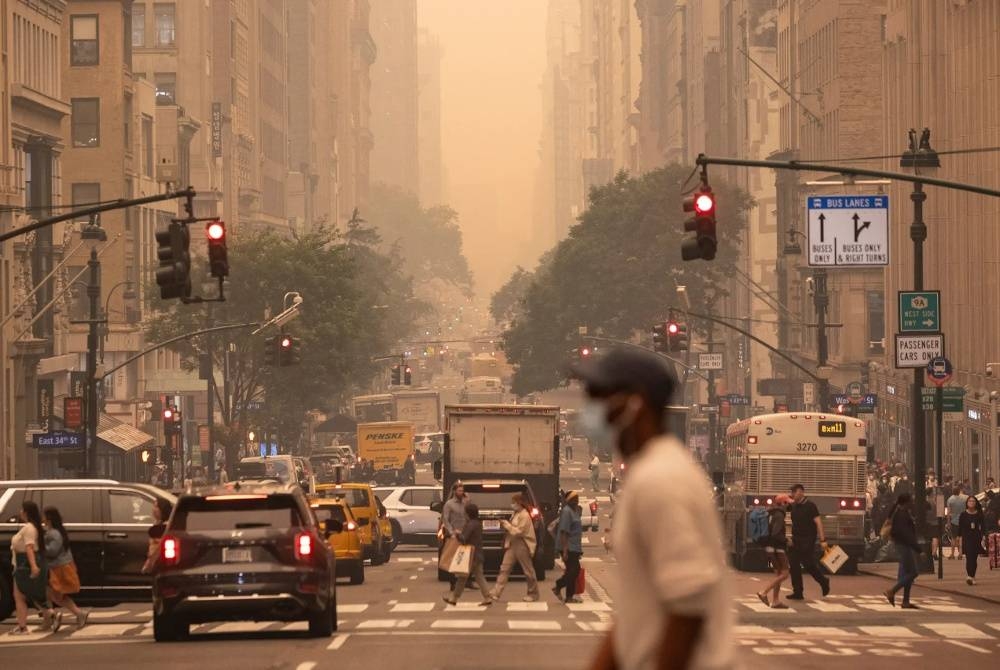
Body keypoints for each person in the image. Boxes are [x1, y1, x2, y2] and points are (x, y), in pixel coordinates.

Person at [576, 348, 733, 670]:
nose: (593, 411)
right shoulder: (652, 470)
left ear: (637, 402)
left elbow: (688, 604)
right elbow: (639, 616)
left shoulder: (660, 480)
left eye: (601, 398)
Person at [9, 500, 56, 635]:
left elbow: (29, 548)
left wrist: (34, 567)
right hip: (22, 562)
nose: (20, 512)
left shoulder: (29, 528)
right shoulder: (33, 527)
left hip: (25, 563)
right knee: (23, 594)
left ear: (26, 512)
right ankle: (23, 625)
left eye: (21, 509)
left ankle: (27, 624)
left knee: (20, 595)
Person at [488, 493, 539, 603]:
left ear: (520, 502)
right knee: (504, 568)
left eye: (514, 502)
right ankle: (496, 592)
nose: (512, 504)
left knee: (528, 570)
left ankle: (533, 593)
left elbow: (519, 531)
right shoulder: (515, 513)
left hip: (522, 544)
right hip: (512, 543)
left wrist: (507, 525)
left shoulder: (525, 515)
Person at [43, 507, 88, 630]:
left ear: (49, 518)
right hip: (59, 566)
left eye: (44, 516)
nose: (42, 518)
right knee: (53, 594)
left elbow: (52, 551)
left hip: (58, 567)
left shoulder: (54, 533)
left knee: (56, 595)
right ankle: (54, 616)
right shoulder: (56, 531)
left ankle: (77, 614)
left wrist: (40, 547)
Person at [443, 503, 492, 607]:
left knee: (465, 577)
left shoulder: (470, 524)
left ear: (468, 513)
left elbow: (464, 538)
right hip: (477, 553)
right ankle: (454, 599)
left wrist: (457, 533)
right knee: (472, 577)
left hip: (470, 554)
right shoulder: (477, 523)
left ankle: (454, 599)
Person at [787, 484, 830, 600]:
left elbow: (818, 523)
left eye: (794, 492)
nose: (792, 494)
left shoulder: (811, 506)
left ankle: (823, 581)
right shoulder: (794, 506)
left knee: (808, 565)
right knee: (794, 565)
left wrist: (823, 540)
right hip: (796, 540)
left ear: (801, 492)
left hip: (807, 541)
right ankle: (798, 592)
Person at [883, 494, 921, 609]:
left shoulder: (900, 512)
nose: (912, 502)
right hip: (904, 545)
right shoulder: (902, 515)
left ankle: (905, 601)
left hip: (903, 545)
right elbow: (906, 534)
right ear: (906, 502)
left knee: (907, 573)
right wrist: (918, 549)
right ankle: (892, 591)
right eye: (911, 500)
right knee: (913, 572)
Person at [757, 494, 792, 609]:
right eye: (787, 503)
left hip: (770, 548)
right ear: (782, 504)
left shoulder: (772, 513)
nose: (789, 505)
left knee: (779, 574)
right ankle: (764, 592)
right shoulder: (779, 515)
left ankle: (776, 601)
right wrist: (787, 540)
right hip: (778, 549)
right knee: (785, 574)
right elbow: (776, 534)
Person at [553, 490, 584, 604]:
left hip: (575, 547)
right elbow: (564, 532)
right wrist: (565, 550)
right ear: (569, 500)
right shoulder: (567, 512)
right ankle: (558, 585)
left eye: (577, 498)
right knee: (574, 570)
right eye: (574, 499)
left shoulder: (574, 511)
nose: (577, 500)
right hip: (568, 546)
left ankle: (569, 596)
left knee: (573, 571)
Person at [959, 495, 986, 585]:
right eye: (970, 501)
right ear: (967, 503)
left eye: (973, 501)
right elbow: (960, 528)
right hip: (967, 538)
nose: (971, 503)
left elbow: (983, 526)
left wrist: (983, 536)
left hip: (976, 537)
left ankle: (972, 576)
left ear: (976, 503)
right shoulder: (963, 514)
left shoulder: (979, 514)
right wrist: (960, 540)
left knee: (974, 558)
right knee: (969, 557)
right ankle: (969, 576)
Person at [141, 499, 173, 574]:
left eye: (156, 507)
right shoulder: (157, 524)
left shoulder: (165, 527)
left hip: (161, 563)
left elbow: (157, 548)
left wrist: (149, 563)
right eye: (153, 506)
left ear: (163, 509)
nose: (153, 509)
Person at [946, 486, 968, 559]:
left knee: (953, 538)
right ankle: (960, 554)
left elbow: (948, 512)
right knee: (961, 538)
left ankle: (952, 554)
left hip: (953, 521)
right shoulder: (965, 498)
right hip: (963, 520)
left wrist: (948, 522)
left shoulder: (950, 500)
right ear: (959, 491)